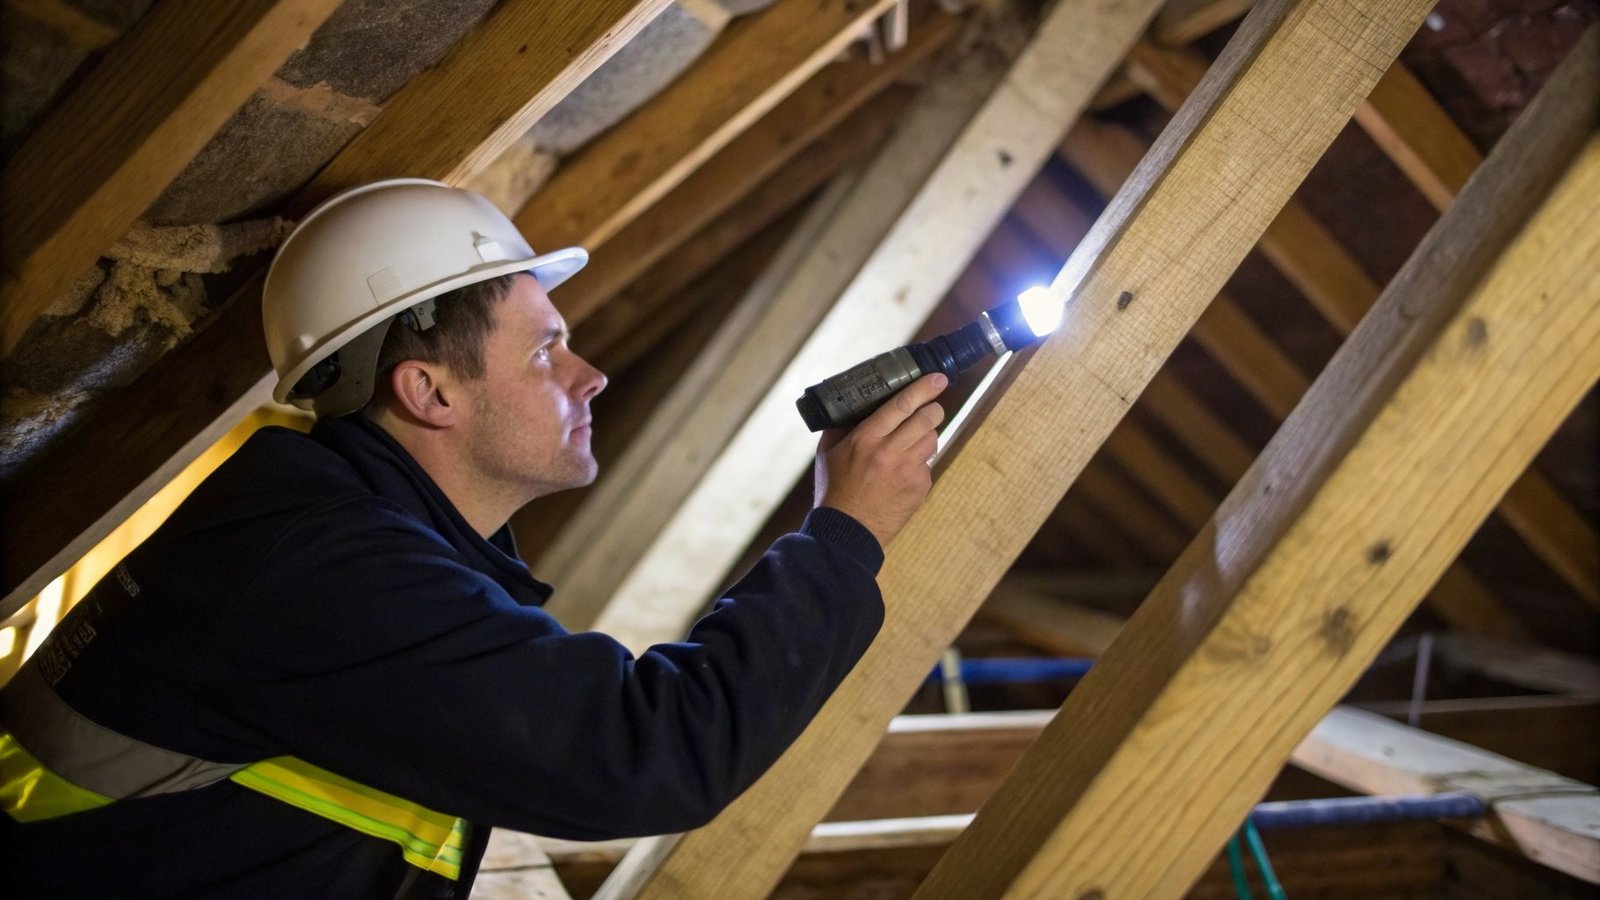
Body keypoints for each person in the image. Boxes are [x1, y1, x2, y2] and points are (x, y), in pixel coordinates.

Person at [0, 179, 947, 898]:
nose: (591, 376)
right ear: (429, 391)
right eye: (544, 349)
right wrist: (844, 533)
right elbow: (646, 752)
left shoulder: (330, 537)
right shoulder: (319, 575)